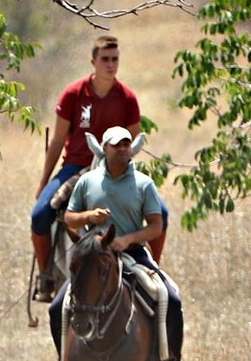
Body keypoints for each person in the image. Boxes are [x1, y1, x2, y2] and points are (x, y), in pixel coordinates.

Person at [42, 125, 188, 361]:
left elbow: (156, 226)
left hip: (132, 253)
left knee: (171, 298)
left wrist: (128, 238)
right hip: (94, 257)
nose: (123, 149)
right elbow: (69, 218)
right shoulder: (87, 181)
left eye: (126, 144)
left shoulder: (144, 183)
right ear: (104, 149)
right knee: (56, 307)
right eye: (116, 145)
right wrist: (88, 217)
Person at [32, 35, 168, 297]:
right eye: (105, 59)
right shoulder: (73, 94)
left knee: (161, 212)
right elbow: (59, 140)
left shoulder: (127, 98)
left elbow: (130, 145)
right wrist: (44, 182)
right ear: (93, 61)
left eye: (115, 59)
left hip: (113, 169)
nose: (110, 64)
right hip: (75, 165)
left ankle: (154, 269)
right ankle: (46, 277)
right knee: (39, 214)